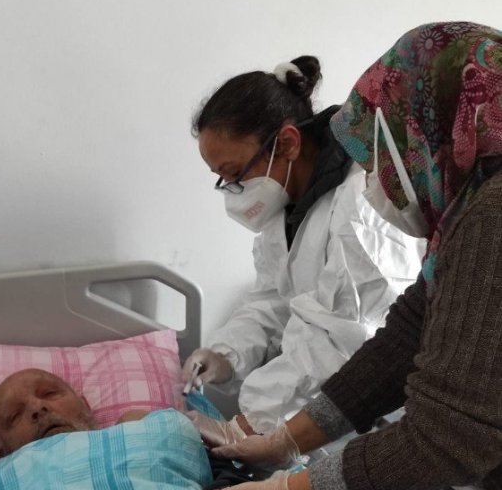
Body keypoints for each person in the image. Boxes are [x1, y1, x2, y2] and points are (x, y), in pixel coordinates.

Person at [151, 22, 502, 490]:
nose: (379, 182)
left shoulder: (482, 220)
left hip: (423, 452)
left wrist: (278, 485)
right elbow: (401, 335)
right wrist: (273, 423)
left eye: (383, 160)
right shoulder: (463, 213)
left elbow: (431, 418)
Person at [182, 57, 424, 433]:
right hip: (313, 414)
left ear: (288, 143)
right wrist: (224, 354)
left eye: (235, 173)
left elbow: (343, 340)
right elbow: (274, 300)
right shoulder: (285, 204)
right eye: (222, 178)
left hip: (379, 415)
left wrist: (251, 423)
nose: (233, 191)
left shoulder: (361, 207)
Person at [0, 368, 147, 455]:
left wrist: (137, 430)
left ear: (85, 405)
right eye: (15, 415)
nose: (37, 407)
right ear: (4, 455)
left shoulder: (134, 431)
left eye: (49, 393)